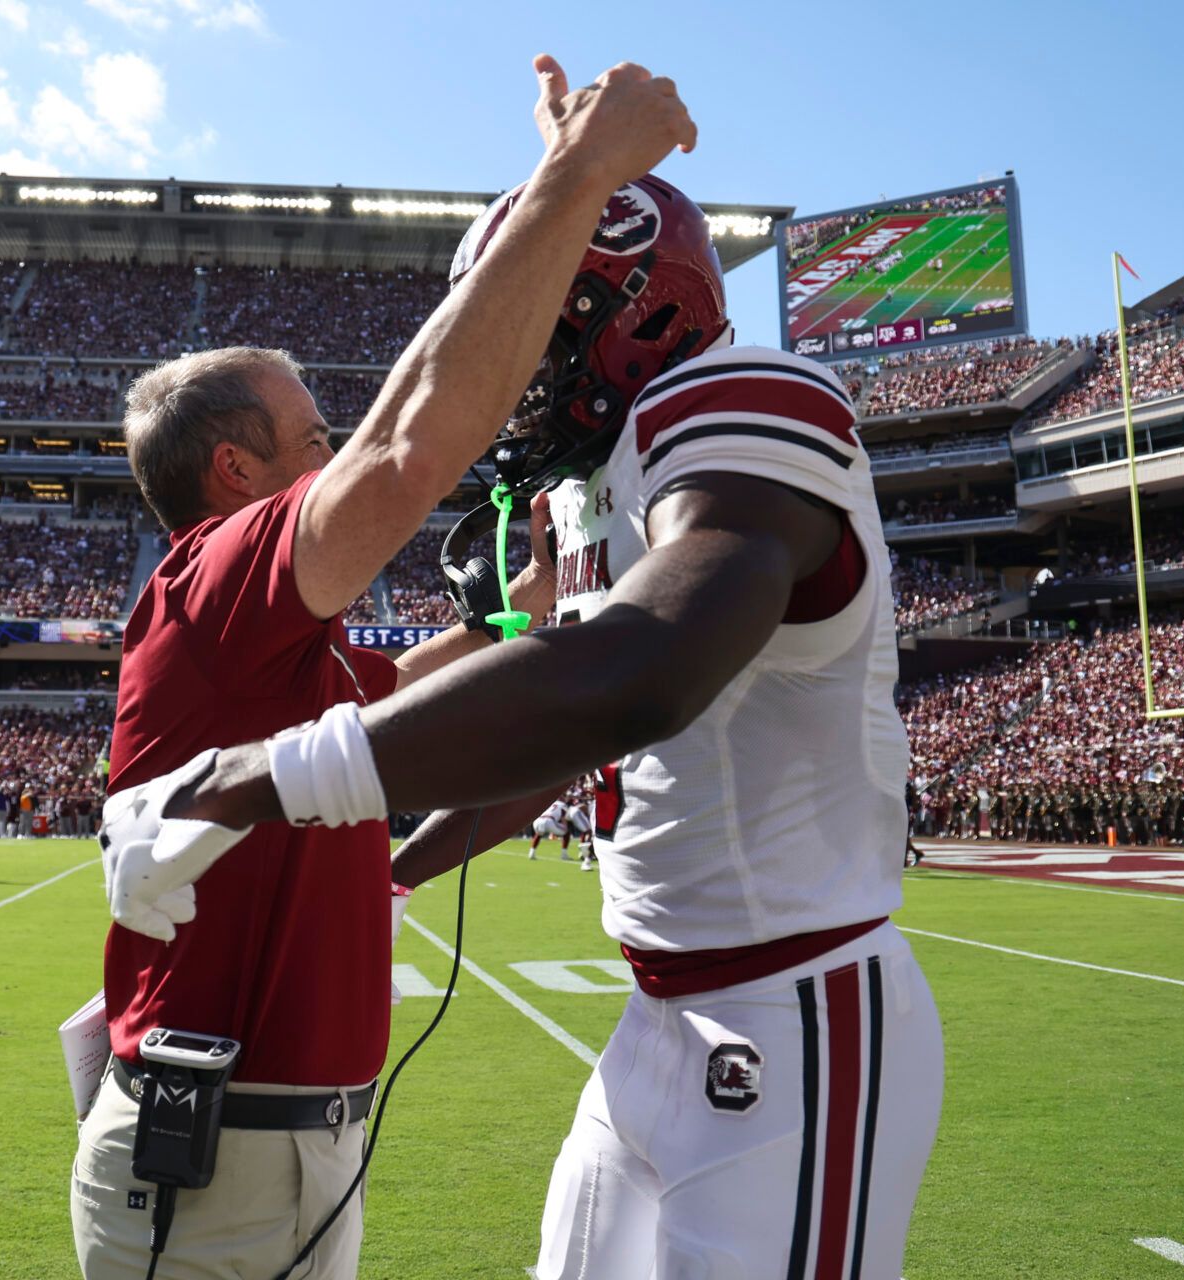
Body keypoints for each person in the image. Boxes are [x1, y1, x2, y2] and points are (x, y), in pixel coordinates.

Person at [140, 162, 941, 1276]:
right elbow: (574, 738)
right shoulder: (592, 482)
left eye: (533, 334)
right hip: (658, 1005)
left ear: (634, 314)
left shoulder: (739, 395)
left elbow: (641, 671)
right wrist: (403, 868)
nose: (511, 374)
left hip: (795, 1008)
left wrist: (278, 772)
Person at [76, 56, 696, 1280]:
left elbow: (409, 685)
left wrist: (521, 619)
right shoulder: (211, 582)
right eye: (312, 441)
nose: (334, 455)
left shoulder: (267, 652)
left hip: (283, 1146)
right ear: (236, 479)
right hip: (214, 1156)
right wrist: (573, 178)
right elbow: (407, 448)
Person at [527, 795, 571, 860]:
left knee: (538, 834)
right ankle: (564, 854)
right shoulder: (562, 804)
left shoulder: (550, 803)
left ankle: (531, 853)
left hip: (538, 820)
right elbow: (563, 817)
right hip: (549, 821)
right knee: (567, 832)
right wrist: (565, 826)